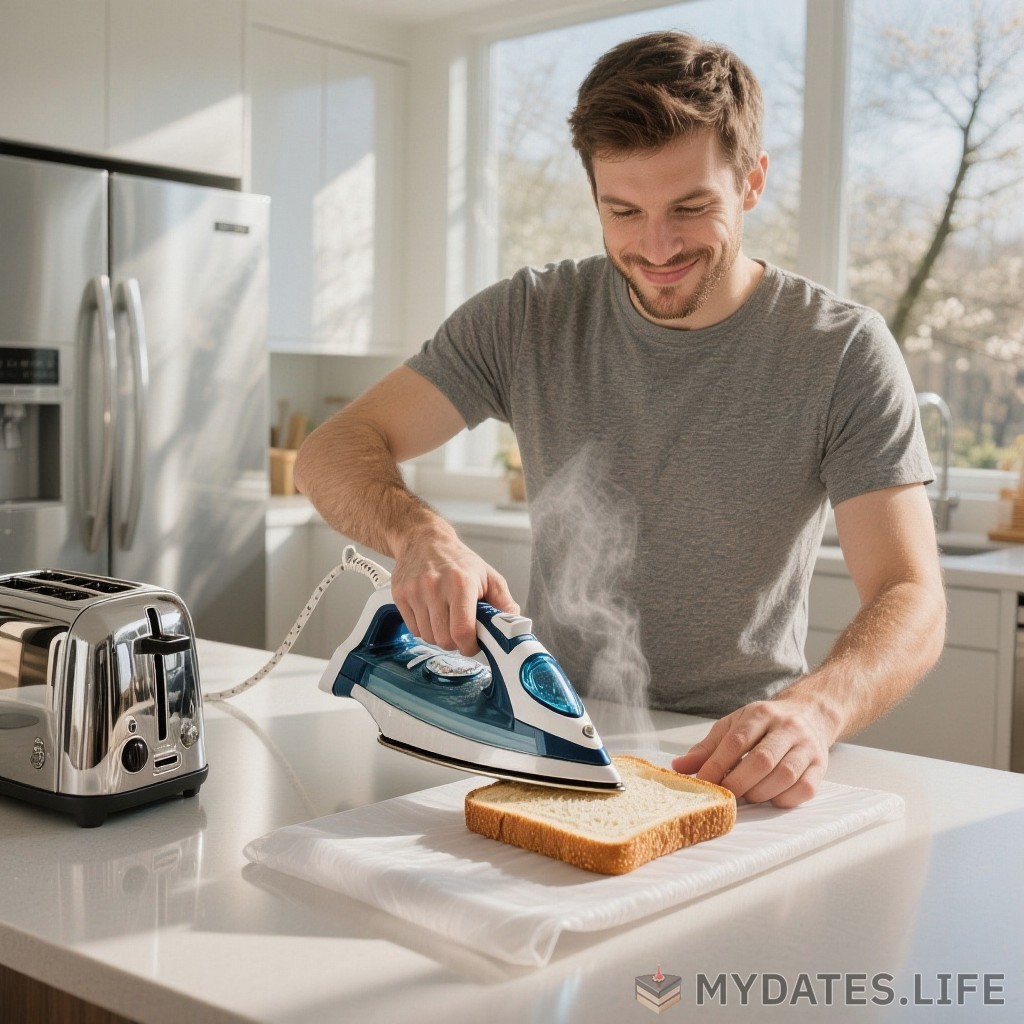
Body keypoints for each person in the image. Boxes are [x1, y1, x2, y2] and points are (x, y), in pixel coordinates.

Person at [294, 30, 946, 809]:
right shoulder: (530, 316)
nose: (656, 245)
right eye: (624, 210)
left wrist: (818, 708)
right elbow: (332, 451)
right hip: (559, 748)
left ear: (752, 183)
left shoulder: (838, 350)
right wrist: (420, 536)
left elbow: (912, 595)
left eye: (691, 207)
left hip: (741, 754)